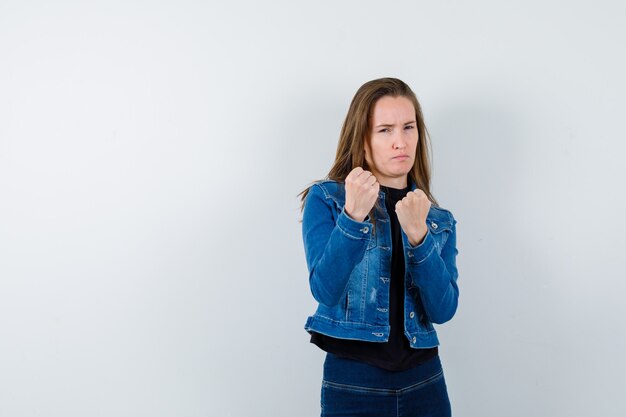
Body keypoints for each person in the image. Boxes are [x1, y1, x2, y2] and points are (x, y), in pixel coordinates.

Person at [299, 77, 459, 417]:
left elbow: (444, 310)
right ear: (363, 137)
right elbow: (325, 289)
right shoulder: (328, 200)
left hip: (425, 382)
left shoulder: (437, 218)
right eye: (385, 130)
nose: (400, 142)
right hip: (353, 384)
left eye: (408, 127)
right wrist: (354, 217)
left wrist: (420, 238)